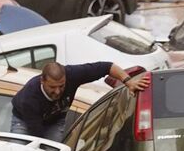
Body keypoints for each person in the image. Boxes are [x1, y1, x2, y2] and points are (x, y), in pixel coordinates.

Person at [12, 61, 151, 144]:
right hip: (24, 120)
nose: (58, 91)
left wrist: (128, 82)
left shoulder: (73, 74)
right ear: (42, 81)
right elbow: (37, 138)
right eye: (52, 87)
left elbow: (108, 67)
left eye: (61, 86)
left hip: (55, 119)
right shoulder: (30, 98)